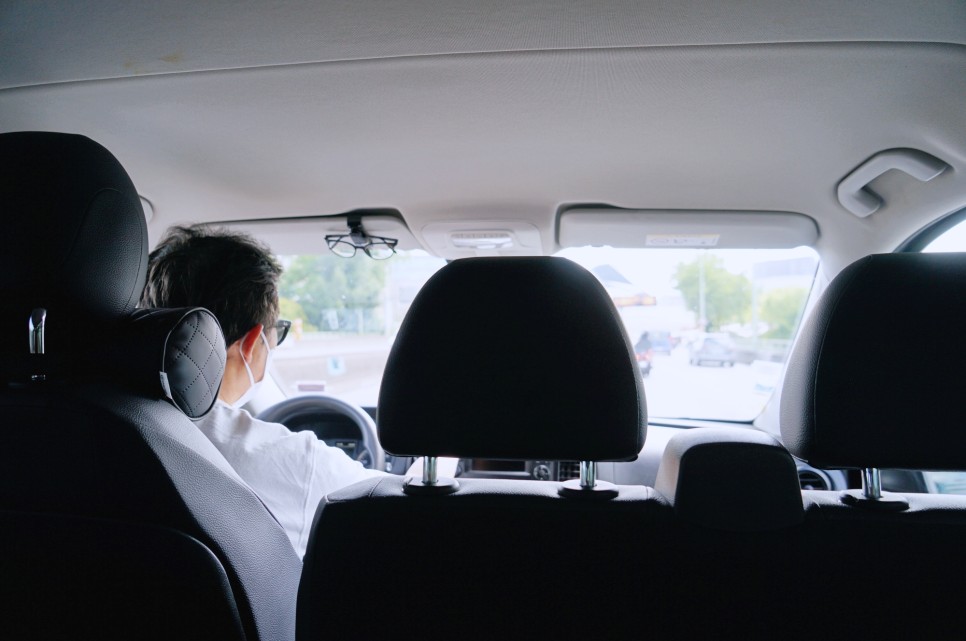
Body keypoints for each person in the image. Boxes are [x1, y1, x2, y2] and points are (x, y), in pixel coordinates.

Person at [141, 225, 385, 558]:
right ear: (254, 341)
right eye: (277, 333)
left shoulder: (87, 430)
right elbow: (396, 509)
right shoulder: (298, 462)